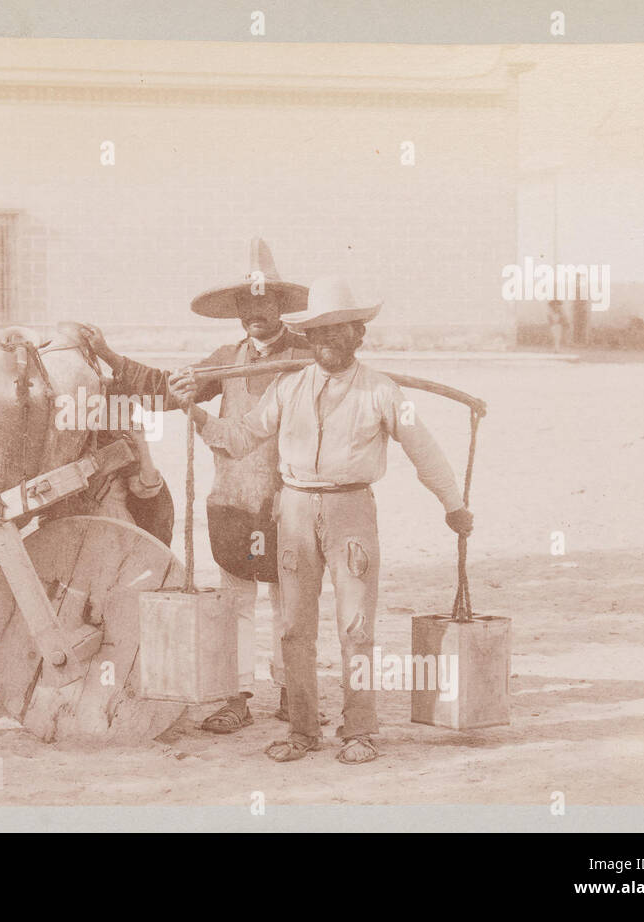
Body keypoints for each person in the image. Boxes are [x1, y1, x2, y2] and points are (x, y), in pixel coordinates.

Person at [174, 276, 474, 764]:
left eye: (339, 331)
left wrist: (454, 505)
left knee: (356, 626)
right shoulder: (288, 386)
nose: (327, 342)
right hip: (293, 511)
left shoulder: (384, 391)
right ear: (307, 338)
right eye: (318, 332)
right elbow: (241, 436)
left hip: (351, 511)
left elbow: (426, 450)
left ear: (360, 336)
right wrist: (197, 414)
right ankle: (302, 730)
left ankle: (359, 729)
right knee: (294, 626)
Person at [81, 237, 322, 734]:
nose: (256, 312)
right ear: (238, 310)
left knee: (290, 602)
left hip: (292, 497)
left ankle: (291, 693)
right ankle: (237, 696)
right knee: (236, 602)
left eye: (265, 301)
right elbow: (165, 389)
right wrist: (106, 355)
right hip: (234, 497)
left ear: (280, 305)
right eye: (247, 303)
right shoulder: (227, 356)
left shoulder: (308, 356)